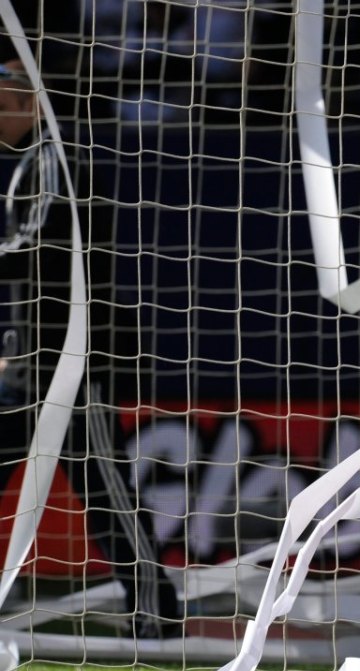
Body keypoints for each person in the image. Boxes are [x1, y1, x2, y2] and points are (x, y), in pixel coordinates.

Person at [0, 60, 181, 637]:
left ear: (28, 102)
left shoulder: (57, 160)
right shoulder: (37, 160)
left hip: (73, 367)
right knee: (105, 493)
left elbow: (31, 251)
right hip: (34, 361)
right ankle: (155, 609)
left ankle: (156, 612)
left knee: (106, 493)